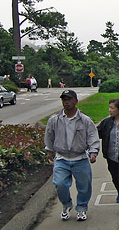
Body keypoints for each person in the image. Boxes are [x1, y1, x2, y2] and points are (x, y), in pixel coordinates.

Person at [44, 89, 100, 222]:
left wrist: (93, 152)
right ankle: (67, 205)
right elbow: (49, 135)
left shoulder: (85, 120)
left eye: (69, 99)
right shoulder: (55, 120)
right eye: (64, 99)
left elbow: (93, 136)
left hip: (80, 158)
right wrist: (49, 150)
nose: (66, 102)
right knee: (60, 183)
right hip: (62, 159)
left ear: (76, 101)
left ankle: (81, 208)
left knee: (84, 186)